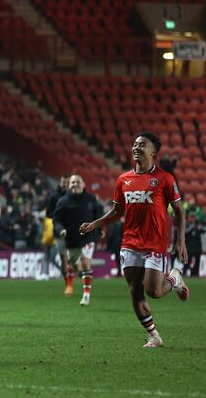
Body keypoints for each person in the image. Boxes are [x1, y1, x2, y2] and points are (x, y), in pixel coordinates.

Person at [80, 132, 189, 348]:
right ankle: (154, 336)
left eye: (142, 145)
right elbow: (116, 212)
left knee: (154, 292)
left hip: (155, 243)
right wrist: (95, 224)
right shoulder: (123, 180)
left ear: (153, 152)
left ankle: (174, 278)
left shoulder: (165, 178)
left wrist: (181, 240)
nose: (136, 148)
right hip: (129, 243)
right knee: (134, 291)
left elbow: (179, 211)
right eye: (135, 144)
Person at [52, 174, 103, 306]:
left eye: (78, 182)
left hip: (88, 237)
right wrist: (61, 229)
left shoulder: (91, 199)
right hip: (71, 239)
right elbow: (56, 220)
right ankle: (82, 272)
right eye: (73, 182)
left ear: (84, 184)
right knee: (74, 264)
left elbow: (98, 216)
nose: (75, 184)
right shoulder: (63, 201)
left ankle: (86, 296)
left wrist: (100, 229)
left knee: (86, 262)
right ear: (69, 185)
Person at [47, 175, 73, 295]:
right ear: (60, 182)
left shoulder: (74, 196)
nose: (66, 184)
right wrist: (59, 215)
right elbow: (48, 214)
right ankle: (67, 283)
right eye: (64, 182)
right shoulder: (54, 197)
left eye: (68, 182)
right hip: (59, 232)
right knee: (64, 259)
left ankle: (71, 281)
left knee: (72, 259)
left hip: (73, 231)